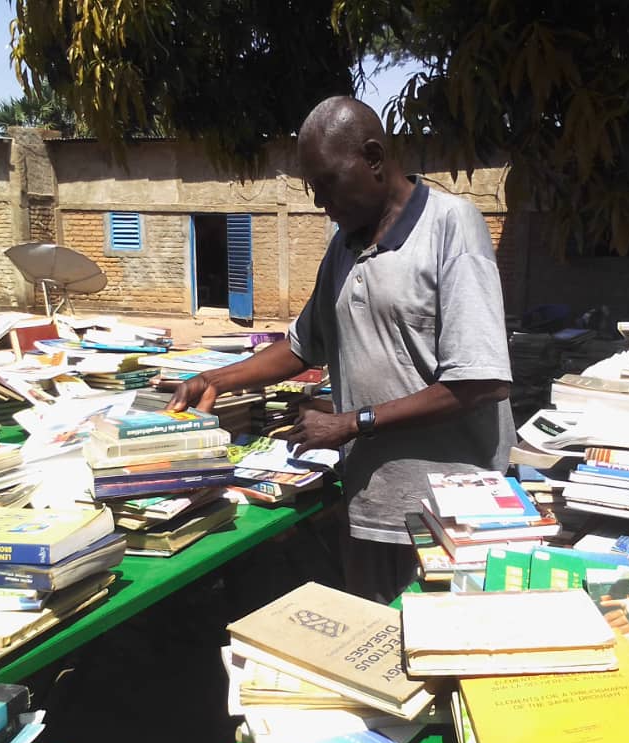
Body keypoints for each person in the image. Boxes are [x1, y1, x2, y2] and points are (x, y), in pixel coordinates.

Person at [164, 96, 516, 603]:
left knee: (438, 659)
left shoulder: (451, 226)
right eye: (313, 188)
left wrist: (352, 423)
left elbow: (481, 381)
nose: (318, 202)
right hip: (371, 506)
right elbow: (303, 348)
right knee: (374, 654)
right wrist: (217, 380)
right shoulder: (344, 247)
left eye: (327, 183)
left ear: (374, 158)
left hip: (449, 516)